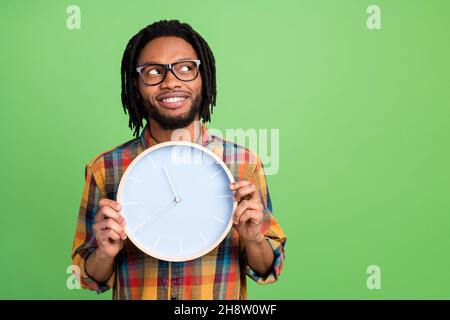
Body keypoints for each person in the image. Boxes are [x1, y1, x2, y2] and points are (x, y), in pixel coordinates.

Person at [71, 19, 287, 300]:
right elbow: (87, 277)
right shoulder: (105, 168)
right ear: (136, 84)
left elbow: (267, 269)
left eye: (186, 68)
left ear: (203, 77)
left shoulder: (244, 163)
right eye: (153, 72)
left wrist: (254, 238)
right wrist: (103, 252)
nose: (171, 81)